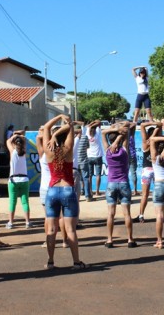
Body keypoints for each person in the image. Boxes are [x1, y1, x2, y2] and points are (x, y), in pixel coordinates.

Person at [43, 114, 88, 270]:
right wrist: (62, 123)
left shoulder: (48, 150)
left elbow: (46, 127)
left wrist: (57, 119)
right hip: (68, 189)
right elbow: (70, 126)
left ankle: (50, 262)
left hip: (52, 190)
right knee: (70, 229)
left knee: (51, 229)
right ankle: (76, 262)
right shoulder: (68, 150)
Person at [102, 122, 137, 248]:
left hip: (111, 184)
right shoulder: (124, 150)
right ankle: (130, 239)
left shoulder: (107, 151)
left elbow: (102, 133)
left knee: (111, 214)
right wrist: (120, 135)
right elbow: (128, 128)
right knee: (126, 213)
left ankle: (110, 239)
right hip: (124, 183)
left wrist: (114, 130)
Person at [135, 121, 162, 222]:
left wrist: (154, 124)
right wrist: (157, 126)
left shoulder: (146, 143)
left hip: (147, 170)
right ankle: (160, 215)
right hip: (157, 170)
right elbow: (159, 126)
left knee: (145, 194)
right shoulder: (159, 143)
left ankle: (141, 215)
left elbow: (142, 125)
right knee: (158, 193)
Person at [6, 131, 32, 229]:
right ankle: (27, 222)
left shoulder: (12, 152)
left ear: (14, 144)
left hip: (13, 180)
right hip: (24, 179)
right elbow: (24, 140)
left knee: (12, 202)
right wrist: (20, 136)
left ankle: (11, 222)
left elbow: (8, 141)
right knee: (25, 201)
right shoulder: (24, 152)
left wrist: (15, 135)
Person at [86, 120, 103, 196]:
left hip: (89, 156)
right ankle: (97, 191)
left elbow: (89, 126)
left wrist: (92, 123)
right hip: (97, 156)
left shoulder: (87, 134)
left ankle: (89, 190)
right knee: (98, 175)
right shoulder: (97, 134)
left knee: (89, 175)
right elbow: (99, 123)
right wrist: (95, 123)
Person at [77, 122, 92, 201]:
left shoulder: (71, 138)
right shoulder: (85, 137)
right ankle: (87, 196)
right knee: (86, 178)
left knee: (77, 179)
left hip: (75, 162)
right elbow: (88, 147)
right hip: (83, 161)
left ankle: (78, 195)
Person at [128, 122, 139, 196]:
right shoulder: (132, 136)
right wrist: (131, 124)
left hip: (126, 156)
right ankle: (135, 190)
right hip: (132, 156)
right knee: (133, 173)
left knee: (125, 174)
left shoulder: (124, 137)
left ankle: (128, 189)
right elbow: (134, 125)